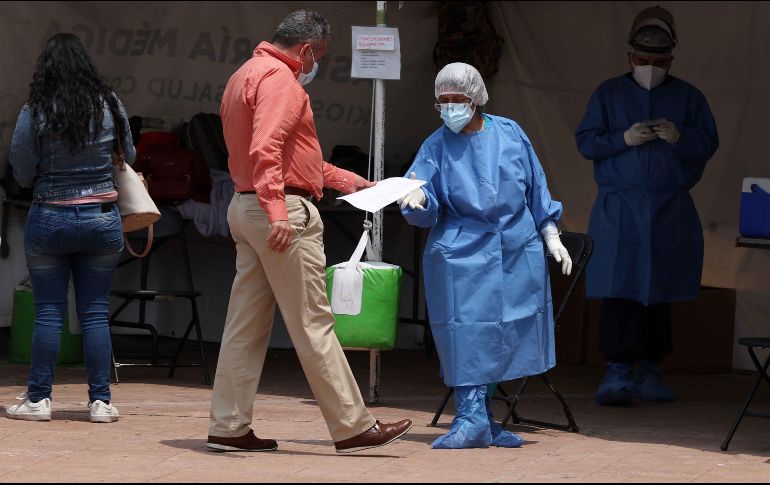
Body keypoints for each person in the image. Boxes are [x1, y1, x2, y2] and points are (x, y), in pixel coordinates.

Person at [206, 10, 412, 453]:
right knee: (314, 322)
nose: (314, 64)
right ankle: (353, 425)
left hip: (246, 206)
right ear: (305, 50)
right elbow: (268, 148)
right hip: (277, 213)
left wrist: (347, 180)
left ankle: (227, 425)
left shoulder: (243, 74)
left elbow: (285, 155)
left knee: (244, 326)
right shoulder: (282, 80)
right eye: (317, 55)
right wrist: (278, 211)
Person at [397, 62, 572, 449]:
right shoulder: (436, 146)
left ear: (475, 98)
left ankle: (484, 416)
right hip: (460, 254)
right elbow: (422, 198)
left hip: (516, 249)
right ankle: (470, 416)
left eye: (457, 99)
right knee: (467, 333)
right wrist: (417, 198)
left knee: (506, 332)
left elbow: (535, 187)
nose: (450, 107)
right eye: (443, 101)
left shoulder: (510, 134)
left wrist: (550, 232)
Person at [575, 6, 719, 406]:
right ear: (629, 57)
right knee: (620, 292)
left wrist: (681, 136)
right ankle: (617, 372)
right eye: (642, 61)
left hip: (668, 210)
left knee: (660, 294)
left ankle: (651, 371)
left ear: (671, 60)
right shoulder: (608, 94)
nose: (650, 67)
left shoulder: (689, 98)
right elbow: (587, 142)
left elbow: (707, 145)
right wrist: (623, 139)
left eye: (658, 62)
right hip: (619, 210)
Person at [6, 33, 134, 423]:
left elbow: (22, 170)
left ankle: (39, 401)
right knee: (95, 312)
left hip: (50, 219)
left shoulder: (36, 109)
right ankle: (100, 402)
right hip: (101, 219)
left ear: (46, 69)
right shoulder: (110, 104)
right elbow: (127, 155)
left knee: (49, 312)